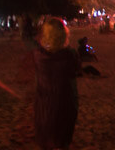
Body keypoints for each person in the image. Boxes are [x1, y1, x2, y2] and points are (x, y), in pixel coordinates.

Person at [34, 18, 79, 150]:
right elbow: (76, 69)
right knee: (62, 139)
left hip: (44, 104)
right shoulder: (70, 56)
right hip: (64, 103)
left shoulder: (38, 56)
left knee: (46, 138)